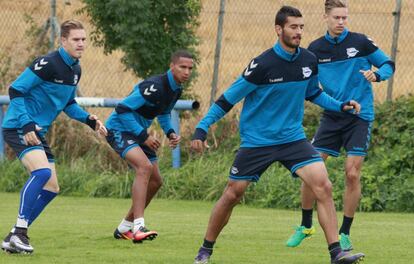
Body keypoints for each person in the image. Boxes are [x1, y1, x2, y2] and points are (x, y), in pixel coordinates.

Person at [191, 6, 365, 264]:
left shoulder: (308, 60)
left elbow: (314, 93)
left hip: (293, 139)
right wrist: (202, 128)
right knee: (233, 194)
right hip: (258, 141)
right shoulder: (262, 65)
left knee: (323, 185)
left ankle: (336, 253)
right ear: (278, 29)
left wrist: (340, 105)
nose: (298, 32)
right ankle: (205, 250)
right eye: (293, 27)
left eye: (301, 27)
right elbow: (227, 99)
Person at [286, 0, 395, 251]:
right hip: (333, 115)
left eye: (345, 17)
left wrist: (377, 75)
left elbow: (389, 64)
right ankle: (305, 225)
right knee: (310, 168)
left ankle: (344, 233)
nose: (341, 22)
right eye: (336, 18)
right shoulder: (315, 49)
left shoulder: (361, 42)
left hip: (360, 115)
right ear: (326, 18)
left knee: (352, 173)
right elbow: (308, 85)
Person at [1, 20, 107, 254]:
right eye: (76, 40)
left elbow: (68, 104)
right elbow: (16, 90)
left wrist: (90, 121)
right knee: (42, 173)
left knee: (51, 187)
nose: (81, 44)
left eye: (84, 39)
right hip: (19, 125)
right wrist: (27, 124)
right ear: (63, 41)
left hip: (37, 131)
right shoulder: (48, 63)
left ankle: (12, 237)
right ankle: (19, 233)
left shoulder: (75, 69)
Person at [105, 50, 194, 243]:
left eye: (190, 68)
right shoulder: (155, 86)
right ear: (172, 66)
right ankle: (138, 227)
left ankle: (124, 227)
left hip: (138, 133)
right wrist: (143, 135)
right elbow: (122, 109)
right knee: (144, 167)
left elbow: (163, 113)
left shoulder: (176, 89)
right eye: (183, 67)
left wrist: (170, 132)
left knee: (156, 182)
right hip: (118, 129)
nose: (187, 72)